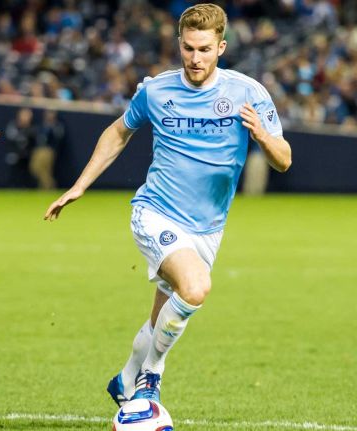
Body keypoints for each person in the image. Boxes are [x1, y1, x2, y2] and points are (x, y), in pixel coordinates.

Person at [45, 3, 291, 407]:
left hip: (208, 227)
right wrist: (79, 185)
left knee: (164, 312)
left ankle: (124, 381)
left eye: (205, 50)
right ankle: (150, 377)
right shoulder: (157, 90)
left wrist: (263, 136)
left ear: (221, 47)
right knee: (195, 288)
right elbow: (117, 133)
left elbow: (284, 160)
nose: (195, 58)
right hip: (156, 212)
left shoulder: (248, 93)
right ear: (179, 44)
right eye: (189, 48)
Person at [29, 109, 65, 190]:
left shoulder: (56, 125)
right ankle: (47, 185)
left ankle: (48, 186)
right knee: (35, 168)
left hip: (48, 150)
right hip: (38, 149)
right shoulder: (42, 124)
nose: (49, 115)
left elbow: (59, 137)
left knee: (45, 169)